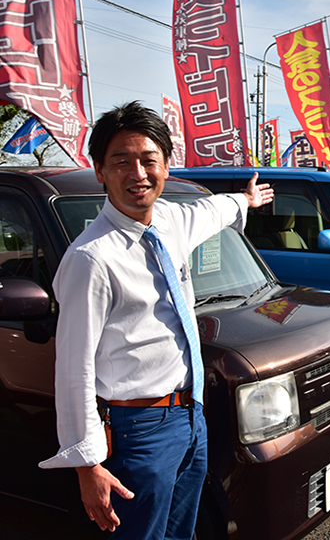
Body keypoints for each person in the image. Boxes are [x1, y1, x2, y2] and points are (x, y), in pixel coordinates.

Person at [39, 101, 274, 539]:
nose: (138, 174)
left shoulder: (170, 219)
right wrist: (87, 465)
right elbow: (73, 371)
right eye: (121, 162)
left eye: (149, 160)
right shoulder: (91, 259)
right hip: (135, 431)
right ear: (100, 171)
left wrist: (247, 199)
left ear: (166, 165)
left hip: (190, 417)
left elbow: (214, 211)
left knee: (179, 532)